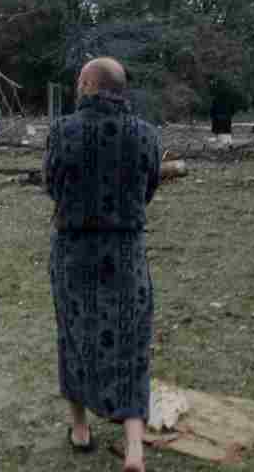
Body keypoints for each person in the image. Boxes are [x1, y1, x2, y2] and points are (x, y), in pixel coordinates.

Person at [44, 58, 161, 472]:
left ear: (90, 85)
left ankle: (80, 431)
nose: (77, 87)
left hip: (74, 252)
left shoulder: (63, 131)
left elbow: (51, 185)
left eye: (80, 81)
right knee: (132, 341)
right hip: (126, 252)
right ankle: (134, 449)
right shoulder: (147, 134)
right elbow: (149, 188)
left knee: (74, 335)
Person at [209, 78, 236, 147]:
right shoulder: (230, 98)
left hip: (218, 119)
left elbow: (212, 110)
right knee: (226, 132)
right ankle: (229, 144)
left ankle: (221, 146)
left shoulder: (216, 98)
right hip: (226, 118)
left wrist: (212, 116)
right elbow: (233, 109)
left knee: (220, 134)